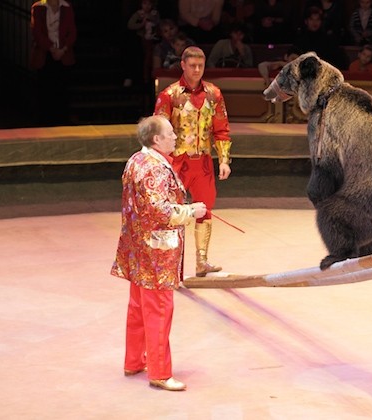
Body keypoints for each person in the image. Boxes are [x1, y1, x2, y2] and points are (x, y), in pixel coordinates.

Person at [111, 115, 207, 392]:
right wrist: (192, 211)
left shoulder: (135, 161)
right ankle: (160, 372)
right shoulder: (155, 169)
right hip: (156, 251)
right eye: (170, 133)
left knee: (139, 308)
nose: (175, 136)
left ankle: (134, 360)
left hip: (138, 248)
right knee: (159, 311)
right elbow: (160, 211)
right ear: (157, 139)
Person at [154, 46, 232, 277]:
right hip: (176, 164)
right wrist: (161, 166)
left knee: (204, 210)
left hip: (204, 164)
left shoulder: (214, 94)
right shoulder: (169, 95)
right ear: (183, 65)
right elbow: (158, 134)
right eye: (192, 66)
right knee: (172, 214)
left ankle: (201, 261)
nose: (197, 70)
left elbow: (222, 130)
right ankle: (167, 266)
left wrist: (224, 161)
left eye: (201, 66)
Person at [30, 0, 77, 126]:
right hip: (45, 54)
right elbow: (37, 32)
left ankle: (61, 120)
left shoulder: (66, 7)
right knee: (45, 89)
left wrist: (63, 49)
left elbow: (72, 32)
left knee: (62, 88)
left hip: (63, 53)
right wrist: (51, 48)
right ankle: (44, 121)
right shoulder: (38, 7)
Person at [128, 0, 162, 86]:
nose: (147, 6)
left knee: (153, 58)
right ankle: (145, 79)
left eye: (149, 4)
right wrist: (141, 24)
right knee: (146, 58)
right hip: (143, 39)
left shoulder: (155, 13)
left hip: (154, 39)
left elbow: (158, 23)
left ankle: (152, 78)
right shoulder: (139, 14)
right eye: (144, 4)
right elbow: (130, 25)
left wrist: (151, 19)